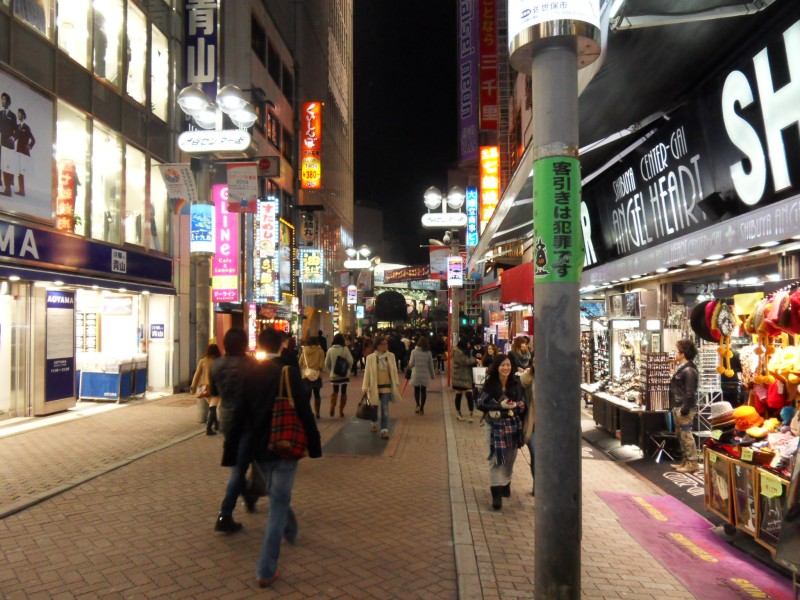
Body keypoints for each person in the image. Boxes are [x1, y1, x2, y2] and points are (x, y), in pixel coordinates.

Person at [242, 328, 322, 587]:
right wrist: (315, 444)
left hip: (259, 448)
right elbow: (304, 410)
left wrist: (239, 448)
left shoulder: (249, 372)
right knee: (278, 504)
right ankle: (266, 569)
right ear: (282, 345)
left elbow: (242, 412)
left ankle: (291, 528)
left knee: (277, 495)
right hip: (285, 443)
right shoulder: (287, 372)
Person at [211, 328, 258, 531]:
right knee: (239, 469)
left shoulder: (216, 365)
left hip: (227, 419)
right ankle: (225, 514)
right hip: (246, 420)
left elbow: (214, 391)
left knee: (238, 464)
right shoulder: (251, 365)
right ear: (244, 344)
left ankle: (247, 494)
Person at [476, 354, 527, 510]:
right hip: (494, 425)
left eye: (508, 365)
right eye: (503, 365)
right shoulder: (489, 384)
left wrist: (515, 407)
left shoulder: (517, 383)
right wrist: (500, 406)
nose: (506, 368)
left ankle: (506, 481)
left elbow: (523, 404)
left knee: (510, 458)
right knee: (496, 459)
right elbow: (480, 403)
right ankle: (496, 494)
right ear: (497, 367)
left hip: (512, 426)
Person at [362, 335, 402, 439]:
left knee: (385, 408)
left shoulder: (391, 356)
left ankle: (384, 430)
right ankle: (374, 422)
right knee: (374, 407)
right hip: (374, 387)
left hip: (386, 387)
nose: (385, 346)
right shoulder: (371, 357)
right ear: (377, 346)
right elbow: (367, 373)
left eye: (386, 344)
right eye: (383, 344)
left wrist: (396, 382)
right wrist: (365, 387)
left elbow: (394, 370)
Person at [669, 338, 699, 474]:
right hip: (678, 405)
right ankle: (685, 460)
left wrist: (684, 409)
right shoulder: (683, 368)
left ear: (683, 354)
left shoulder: (689, 370)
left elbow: (690, 392)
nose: (675, 353)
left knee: (686, 435)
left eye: (676, 351)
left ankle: (692, 463)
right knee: (681, 434)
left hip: (684, 407)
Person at [190, 343, 222, 435]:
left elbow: (197, 375)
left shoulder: (203, 361)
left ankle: (216, 424)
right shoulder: (219, 361)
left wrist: (193, 387)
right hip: (215, 387)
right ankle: (209, 428)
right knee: (213, 408)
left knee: (212, 407)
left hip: (204, 388)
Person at [325, 333, 354, 417]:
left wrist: (332, 369)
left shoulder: (330, 350)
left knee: (335, 391)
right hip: (344, 375)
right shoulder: (345, 349)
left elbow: (326, 363)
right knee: (343, 392)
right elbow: (351, 361)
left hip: (334, 375)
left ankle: (332, 405)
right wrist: (348, 369)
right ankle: (341, 410)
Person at [408, 335, 435, 415]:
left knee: (416, 390)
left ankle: (417, 405)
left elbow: (411, 363)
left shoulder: (414, 352)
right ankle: (422, 408)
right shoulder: (428, 353)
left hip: (416, 373)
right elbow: (431, 365)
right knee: (423, 391)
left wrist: (409, 367)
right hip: (425, 374)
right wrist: (432, 375)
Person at [299, 336, 326, 418]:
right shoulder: (320, 351)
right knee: (317, 394)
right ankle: (317, 412)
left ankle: (308, 412)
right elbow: (322, 365)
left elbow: (300, 363)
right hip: (317, 375)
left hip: (306, 376)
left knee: (307, 396)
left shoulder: (304, 351)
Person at [452, 338, 477, 422]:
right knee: (459, 395)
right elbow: (465, 361)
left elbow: (469, 359)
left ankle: (471, 414)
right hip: (459, 377)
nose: (469, 345)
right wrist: (474, 359)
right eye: (467, 343)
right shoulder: (457, 352)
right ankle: (458, 413)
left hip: (466, 377)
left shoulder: (466, 351)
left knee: (469, 395)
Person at [0, 92, 17, 197]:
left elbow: (17, 130)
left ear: (8, 101)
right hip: (0, 142)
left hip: (8, 145)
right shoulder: (0, 113)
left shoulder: (12, 115)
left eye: (4, 99)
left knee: (7, 166)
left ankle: (8, 190)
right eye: (2, 99)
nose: (2, 101)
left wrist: (13, 137)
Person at [14, 108, 34, 196]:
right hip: (18, 151)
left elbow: (33, 140)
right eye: (17, 113)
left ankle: (22, 191)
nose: (18, 115)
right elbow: (15, 136)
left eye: (19, 114)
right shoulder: (17, 126)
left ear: (23, 115)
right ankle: (21, 190)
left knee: (21, 171)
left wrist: (29, 146)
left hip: (24, 152)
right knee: (18, 171)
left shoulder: (26, 127)